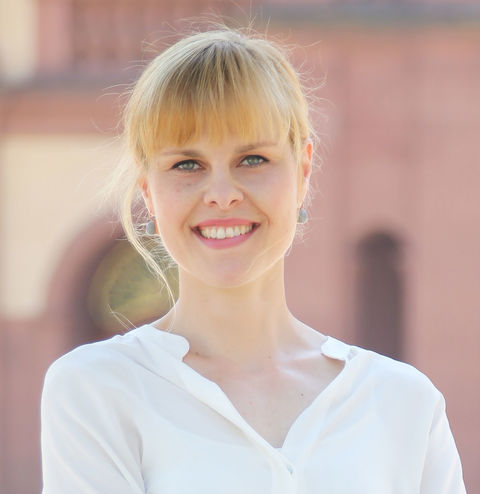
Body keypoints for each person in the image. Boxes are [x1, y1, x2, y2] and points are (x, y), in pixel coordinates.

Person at [40, 27, 466, 493]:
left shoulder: (404, 403)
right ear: (149, 190)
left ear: (302, 170)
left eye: (252, 160)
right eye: (187, 165)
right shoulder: (98, 389)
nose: (221, 195)